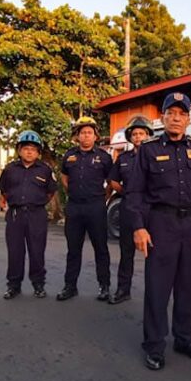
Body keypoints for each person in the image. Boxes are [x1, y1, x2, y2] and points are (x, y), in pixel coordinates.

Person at [125, 92, 191, 370]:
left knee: (190, 285)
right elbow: (134, 192)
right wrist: (139, 227)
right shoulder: (148, 150)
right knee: (158, 287)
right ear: (162, 118)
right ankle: (154, 345)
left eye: (181, 114)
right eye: (171, 113)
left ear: (188, 119)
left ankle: (185, 338)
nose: (176, 118)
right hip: (161, 224)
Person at [57, 116, 113, 302]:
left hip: (96, 207)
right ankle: (70, 286)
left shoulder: (104, 157)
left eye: (89, 132)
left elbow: (111, 182)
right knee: (73, 249)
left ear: (95, 136)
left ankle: (104, 286)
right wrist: (73, 192)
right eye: (83, 133)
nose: (86, 136)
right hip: (74, 207)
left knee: (101, 248)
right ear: (77, 136)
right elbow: (64, 178)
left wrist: (102, 198)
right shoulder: (69, 155)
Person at [0, 130, 57, 299]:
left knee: (37, 251)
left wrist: (36, 203)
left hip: (36, 214)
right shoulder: (10, 169)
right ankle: (13, 286)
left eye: (33, 149)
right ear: (19, 150)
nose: (29, 151)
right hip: (16, 214)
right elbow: (4, 190)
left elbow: (50, 193)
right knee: (15, 252)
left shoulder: (45, 170)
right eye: (25, 148)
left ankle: (38, 284)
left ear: (38, 152)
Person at [107, 115, 154, 305]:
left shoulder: (157, 156)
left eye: (142, 133)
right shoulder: (124, 158)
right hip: (129, 208)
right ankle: (123, 290)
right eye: (135, 134)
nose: (138, 137)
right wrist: (127, 192)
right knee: (126, 253)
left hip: (152, 209)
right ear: (130, 137)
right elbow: (113, 181)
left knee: (154, 254)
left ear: (148, 135)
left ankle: (155, 293)